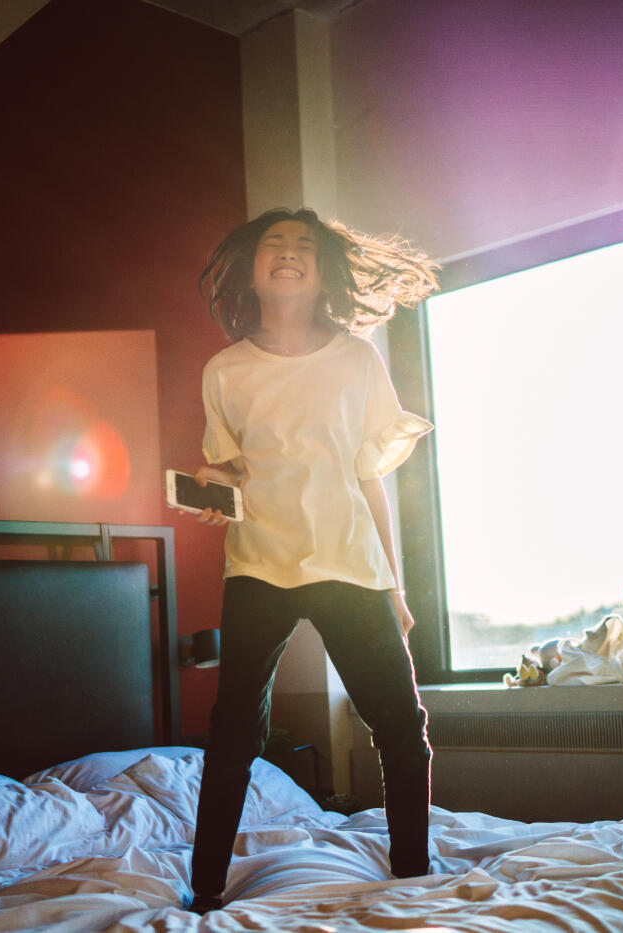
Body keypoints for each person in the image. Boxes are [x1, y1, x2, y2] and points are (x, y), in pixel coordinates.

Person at [181, 207, 440, 914]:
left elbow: (368, 476)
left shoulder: (357, 358)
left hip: (350, 562)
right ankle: (205, 888)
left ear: (323, 268)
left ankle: (413, 873)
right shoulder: (226, 370)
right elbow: (232, 471)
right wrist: (214, 496)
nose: (290, 253)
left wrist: (395, 584)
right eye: (275, 243)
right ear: (252, 268)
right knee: (234, 730)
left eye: (304, 245)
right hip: (257, 563)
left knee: (398, 724)